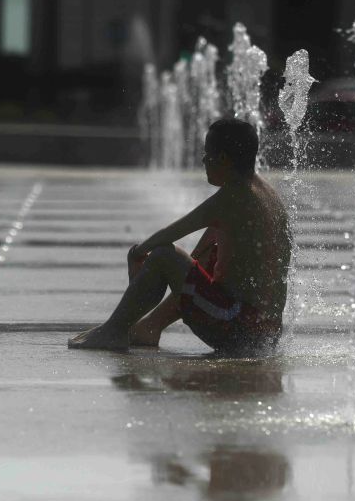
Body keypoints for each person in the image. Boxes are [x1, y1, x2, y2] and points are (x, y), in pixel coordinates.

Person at [68, 117, 291, 355]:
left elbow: (170, 234)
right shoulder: (266, 194)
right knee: (203, 257)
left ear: (223, 159)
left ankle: (113, 331)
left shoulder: (234, 195)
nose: (203, 161)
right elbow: (193, 266)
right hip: (263, 333)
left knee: (164, 255)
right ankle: (149, 328)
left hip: (239, 331)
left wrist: (137, 253)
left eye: (207, 155)